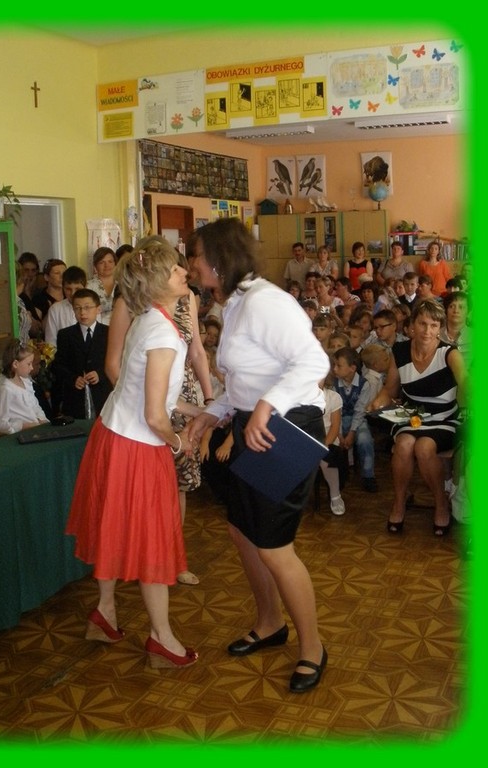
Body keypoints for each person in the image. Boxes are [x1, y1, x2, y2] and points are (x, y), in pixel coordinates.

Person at [187, 218, 329, 694]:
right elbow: (243, 381)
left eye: (195, 255)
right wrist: (212, 414)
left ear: (218, 260)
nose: (191, 265)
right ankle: (270, 623)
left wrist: (267, 405)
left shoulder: (266, 302)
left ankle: (313, 648)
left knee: (272, 544)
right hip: (257, 421)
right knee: (242, 531)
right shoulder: (234, 304)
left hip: (288, 425)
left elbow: (314, 362)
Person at [66, 237, 198, 669]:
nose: (184, 272)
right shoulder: (162, 332)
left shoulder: (149, 318)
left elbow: (142, 386)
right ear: (158, 281)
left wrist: (198, 410)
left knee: (113, 526)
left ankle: (105, 612)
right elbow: (155, 416)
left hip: (114, 433)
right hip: (137, 445)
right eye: (176, 269)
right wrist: (180, 442)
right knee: (151, 542)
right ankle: (162, 638)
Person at [105, 244, 214, 588]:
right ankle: (147, 568)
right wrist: (174, 435)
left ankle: (166, 560)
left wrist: (205, 404)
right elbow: (120, 370)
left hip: (164, 406)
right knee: (142, 508)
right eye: (174, 268)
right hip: (141, 423)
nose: (185, 271)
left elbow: (194, 354)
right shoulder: (147, 318)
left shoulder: (171, 308)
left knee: (172, 492)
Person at [368, 299, 466, 536]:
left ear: (440, 327)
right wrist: (377, 402)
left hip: (445, 418)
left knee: (424, 448)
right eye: (422, 324)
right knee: (403, 444)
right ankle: (399, 501)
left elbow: (467, 383)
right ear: (412, 325)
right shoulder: (400, 351)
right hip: (412, 417)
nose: (427, 331)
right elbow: (391, 389)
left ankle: (441, 503)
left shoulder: (450, 353)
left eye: (434, 325)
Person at [51, 289, 113, 419]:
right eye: (77, 308)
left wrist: (100, 374)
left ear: (98, 309)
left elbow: (117, 362)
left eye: (87, 307)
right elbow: (58, 365)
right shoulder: (65, 335)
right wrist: (73, 378)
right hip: (75, 397)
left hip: (103, 395)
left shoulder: (109, 333)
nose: (82, 313)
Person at [331, 346, 378, 492]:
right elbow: (335, 412)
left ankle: (368, 475)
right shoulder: (334, 385)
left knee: (365, 440)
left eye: (339, 365)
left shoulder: (364, 384)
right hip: (337, 420)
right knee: (333, 440)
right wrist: (339, 433)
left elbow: (360, 411)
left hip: (357, 420)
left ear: (352, 368)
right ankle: (338, 476)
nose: (334, 369)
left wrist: (351, 433)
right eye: (334, 365)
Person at [0, 339, 50, 434]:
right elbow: (1, 424)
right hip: (21, 435)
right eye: (29, 364)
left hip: (36, 431)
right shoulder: (6, 389)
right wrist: (26, 425)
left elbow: (35, 406)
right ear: (15, 364)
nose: (32, 368)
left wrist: (43, 420)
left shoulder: (26, 382)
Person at [318, 378, 346, 516]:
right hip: (307, 439)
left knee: (327, 458)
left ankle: (335, 495)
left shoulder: (333, 397)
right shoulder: (298, 397)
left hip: (328, 440)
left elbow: (335, 427)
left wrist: (323, 445)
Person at [44, 266, 87, 347]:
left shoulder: (92, 308)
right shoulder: (55, 309)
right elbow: (50, 342)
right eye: (68, 289)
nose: (73, 293)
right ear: (63, 288)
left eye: (77, 289)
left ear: (85, 287)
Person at [86, 247, 118, 326]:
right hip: (96, 328)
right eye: (102, 262)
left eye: (110, 261)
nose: (107, 265)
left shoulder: (124, 284)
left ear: (115, 263)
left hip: (120, 326)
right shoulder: (89, 286)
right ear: (95, 266)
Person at [32, 258, 67, 323]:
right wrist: (52, 310)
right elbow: (39, 327)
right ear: (46, 277)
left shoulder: (69, 295)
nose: (62, 276)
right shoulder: (39, 299)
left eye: (64, 273)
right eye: (57, 273)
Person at [440, 292, 470, 358]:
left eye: (461, 307)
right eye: (451, 306)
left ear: (468, 312)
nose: (456, 311)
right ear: (445, 310)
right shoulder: (435, 334)